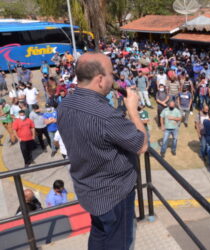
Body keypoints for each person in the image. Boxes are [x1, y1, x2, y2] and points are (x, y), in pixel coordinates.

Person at [57, 52, 148, 249]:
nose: (113, 79)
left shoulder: (65, 105)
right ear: (99, 80)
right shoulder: (106, 116)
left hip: (88, 189)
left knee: (98, 234)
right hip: (114, 195)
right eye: (111, 75)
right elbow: (141, 145)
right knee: (119, 242)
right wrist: (133, 111)